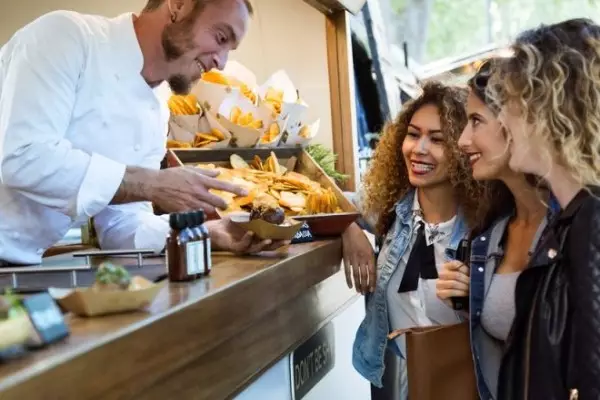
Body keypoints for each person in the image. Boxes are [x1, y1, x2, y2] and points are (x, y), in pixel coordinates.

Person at [0, 0, 286, 265]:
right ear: (178, 5)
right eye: (221, 38)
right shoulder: (67, 36)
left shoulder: (158, 107)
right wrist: (152, 183)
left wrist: (208, 232)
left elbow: (120, 226)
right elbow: (24, 158)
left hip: (19, 266)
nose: (221, 63)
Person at [344, 82, 485, 396]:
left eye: (437, 139)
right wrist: (349, 229)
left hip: (474, 387)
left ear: (465, 148)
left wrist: (473, 300)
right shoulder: (392, 208)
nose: (418, 149)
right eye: (412, 134)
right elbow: (327, 202)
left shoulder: (487, 228)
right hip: (418, 384)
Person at [486, 18, 600, 399]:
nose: (502, 119)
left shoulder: (592, 222)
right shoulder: (569, 221)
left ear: (551, 107)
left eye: (512, 102)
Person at [435, 59, 555, 400]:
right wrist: (469, 297)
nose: (461, 141)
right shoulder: (491, 233)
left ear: (515, 124)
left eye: (476, 122)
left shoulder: (575, 229)